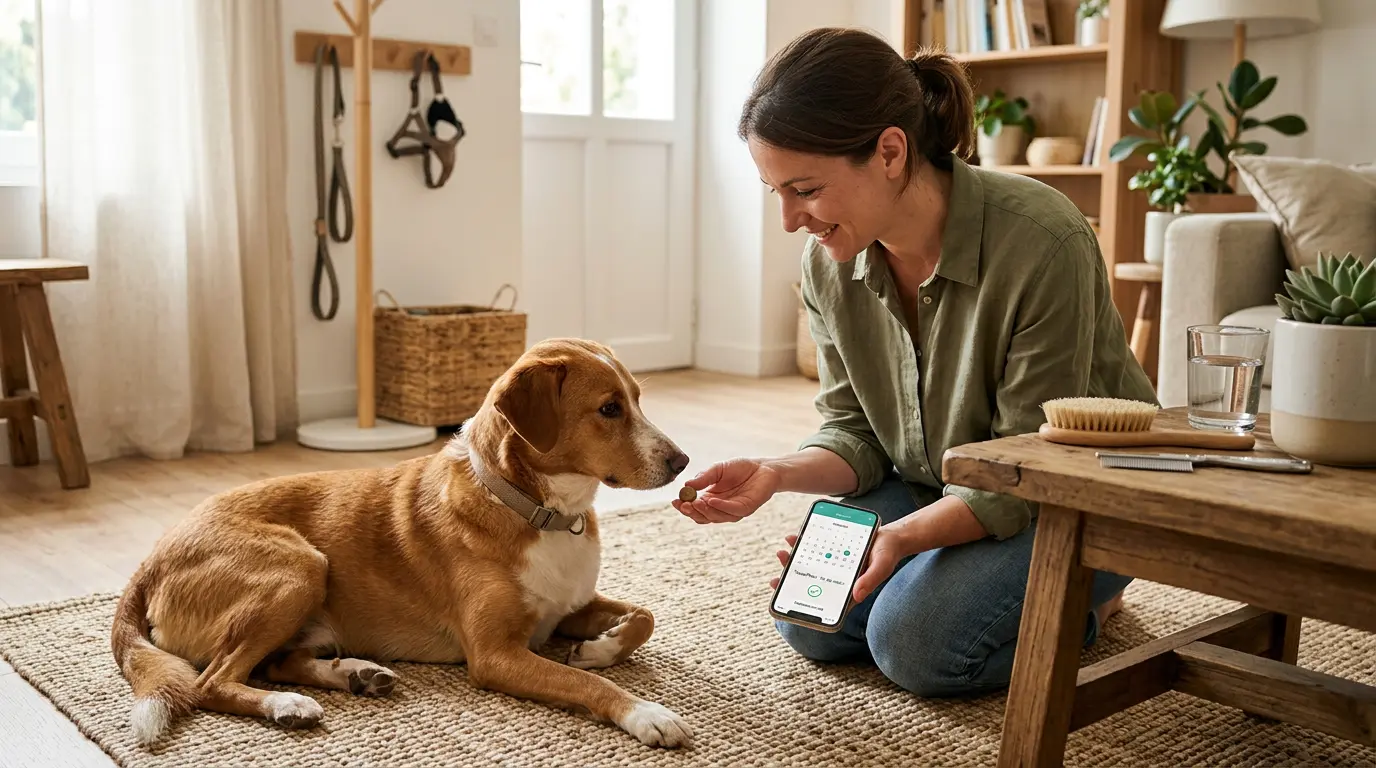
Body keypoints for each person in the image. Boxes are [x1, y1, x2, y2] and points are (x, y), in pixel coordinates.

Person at [671, 27, 1157, 698]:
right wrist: (774, 474)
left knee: (915, 646)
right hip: (932, 480)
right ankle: (946, 575)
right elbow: (854, 430)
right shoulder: (829, 264)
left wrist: (899, 540)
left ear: (891, 151)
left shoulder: (1044, 239)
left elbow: (1028, 469)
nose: (788, 220)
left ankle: (1087, 608)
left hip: (1065, 502)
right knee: (813, 623)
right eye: (775, 190)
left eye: (805, 189)